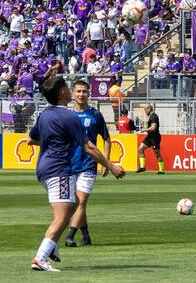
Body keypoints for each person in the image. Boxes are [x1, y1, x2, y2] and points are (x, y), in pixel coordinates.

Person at [27, 76, 124, 272]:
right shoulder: (69, 117)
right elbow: (89, 146)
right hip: (60, 169)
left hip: (44, 168)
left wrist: (55, 141)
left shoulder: (44, 114)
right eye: (68, 88)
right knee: (63, 217)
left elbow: (31, 140)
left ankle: (52, 246)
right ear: (63, 93)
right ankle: (41, 257)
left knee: (71, 205)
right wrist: (111, 166)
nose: (72, 91)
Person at [65, 80, 111, 247]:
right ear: (72, 93)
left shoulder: (95, 115)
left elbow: (106, 139)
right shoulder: (68, 116)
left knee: (81, 201)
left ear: (88, 94)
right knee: (75, 203)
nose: (81, 94)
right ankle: (86, 237)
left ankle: (70, 235)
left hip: (88, 164)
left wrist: (105, 162)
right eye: (78, 91)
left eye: (84, 91)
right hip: (70, 164)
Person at [136, 104, 164, 174]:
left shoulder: (154, 116)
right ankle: (142, 167)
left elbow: (153, 128)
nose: (145, 111)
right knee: (140, 149)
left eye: (145, 109)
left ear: (149, 109)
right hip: (149, 137)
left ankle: (161, 170)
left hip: (155, 138)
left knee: (157, 154)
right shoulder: (151, 117)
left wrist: (144, 130)